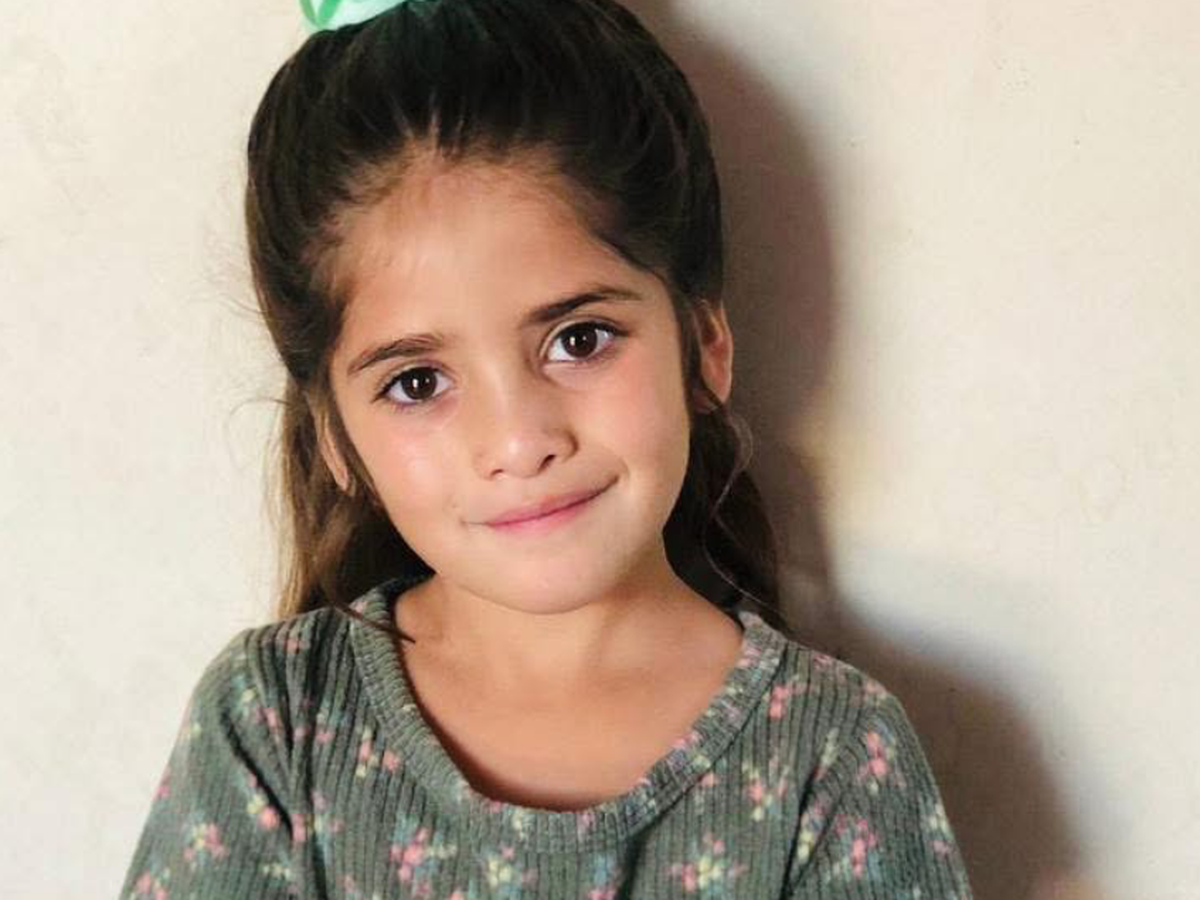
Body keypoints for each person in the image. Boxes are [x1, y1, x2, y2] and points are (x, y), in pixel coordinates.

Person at [120, 0, 976, 897]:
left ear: (702, 345)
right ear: (334, 435)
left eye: (579, 339)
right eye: (418, 382)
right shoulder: (274, 724)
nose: (520, 442)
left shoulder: (833, 753)